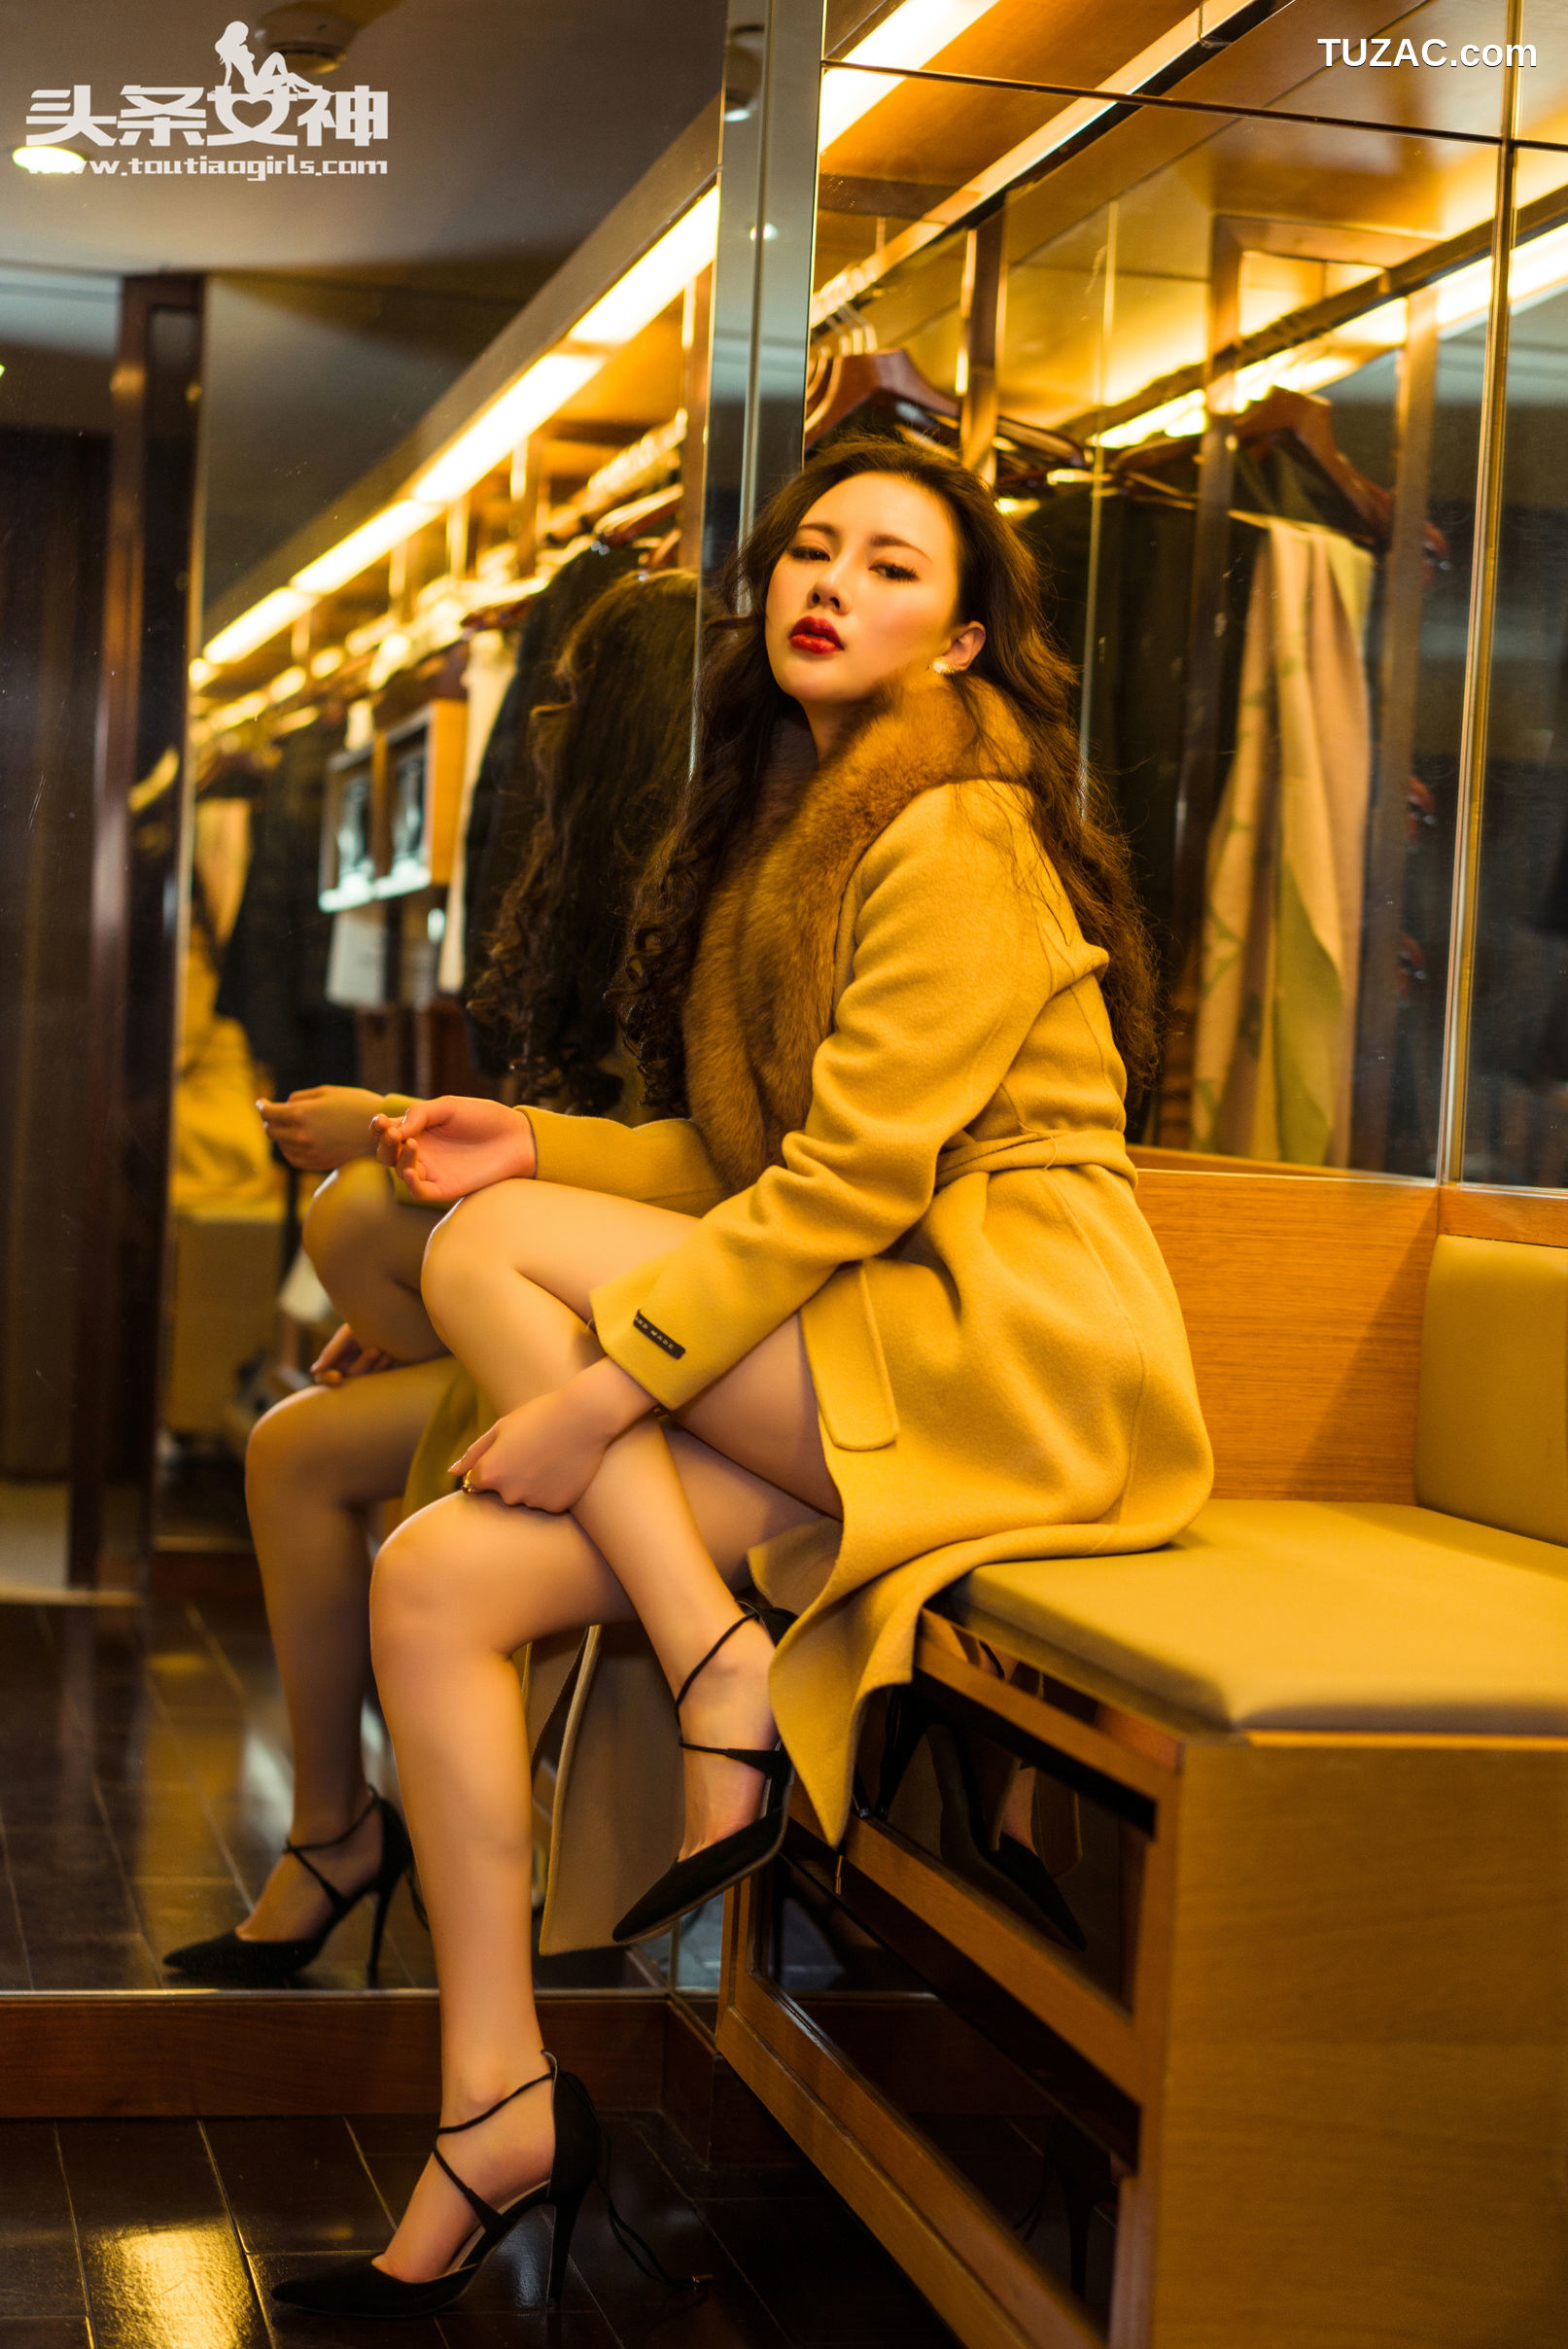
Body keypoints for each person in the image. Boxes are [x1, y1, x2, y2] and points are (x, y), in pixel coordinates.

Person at [271, 438, 1212, 2316]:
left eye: (890, 566)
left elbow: (850, 1182)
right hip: (861, 1342)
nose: (831, 583)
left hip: (1010, 1344)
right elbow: (737, 1169)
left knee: (479, 1259)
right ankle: (495, 2105)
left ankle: (715, 1662)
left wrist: (599, 1392)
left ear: (962, 641)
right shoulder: (795, 829)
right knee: (432, 1579)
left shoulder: (960, 828)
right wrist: (532, 1140)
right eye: (812, 550)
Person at [162, 570, 703, 1986]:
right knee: (291, 1446)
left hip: (668, 1326)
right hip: (577, 1301)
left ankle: (393, 1858)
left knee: (353, 1214)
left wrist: (393, 1131)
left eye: (572, 693)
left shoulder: (717, 902)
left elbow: (697, 1171)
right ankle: (334, 1832)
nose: (542, 722)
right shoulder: (608, 897)